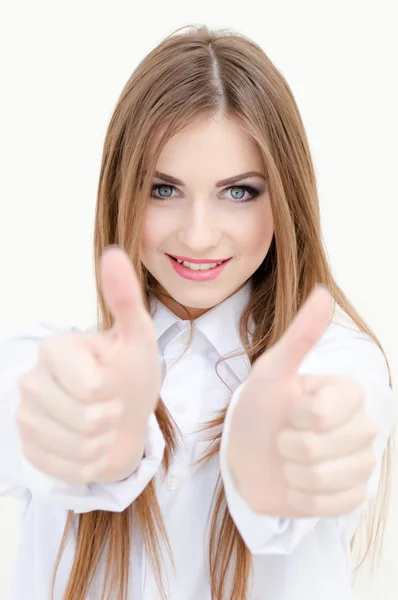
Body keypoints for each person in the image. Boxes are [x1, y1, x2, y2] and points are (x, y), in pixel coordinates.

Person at [0, 24, 396, 600]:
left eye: (239, 192)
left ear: (285, 197)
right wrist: (89, 442)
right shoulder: (49, 367)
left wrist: (273, 465)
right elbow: (21, 404)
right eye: (163, 189)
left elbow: (337, 419)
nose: (199, 234)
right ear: (120, 190)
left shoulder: (338, 368)